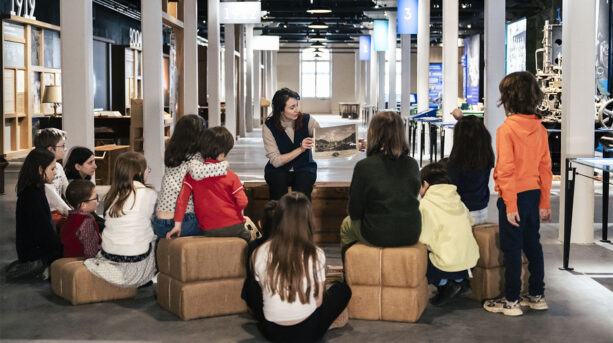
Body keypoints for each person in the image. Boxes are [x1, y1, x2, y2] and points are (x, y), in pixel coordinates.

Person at [483, 71, 552, 316]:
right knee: (533, 245)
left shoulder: (506, 130)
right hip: (533, 195)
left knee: (512, 248)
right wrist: (544, 201)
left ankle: (511, 300)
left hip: (514, 197)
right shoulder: (540, 129)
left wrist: (510, 204)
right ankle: (537, 295)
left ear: (508, 98)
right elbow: (545, 169)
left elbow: (506, 170)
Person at [248, 192, 352, 342]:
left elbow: (262, 289)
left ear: (279, 218)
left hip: (271, 331)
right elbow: (318, 301)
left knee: (252, 287)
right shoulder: (316, 254)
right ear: (308, 220)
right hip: (307, 333)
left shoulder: (259, 252)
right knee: (343, 290)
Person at [340, 111, 422, 257]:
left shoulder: (364, 166)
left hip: (377, 234)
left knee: (346, 226)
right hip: (411, 232)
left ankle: (349, 275)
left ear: (373, 133)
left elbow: (354, 211)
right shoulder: (413, 164)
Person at [84, 152, 157, 288]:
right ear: (140, 172)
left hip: (109, 256)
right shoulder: (149, 194)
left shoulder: (111, 195)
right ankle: (145, 277)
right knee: (157, 235)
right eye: (148, 170)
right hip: (137, 266)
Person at [168, 127, 251, 241]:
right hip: (233, 226)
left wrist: (177, 226)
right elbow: (243, 202)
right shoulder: (231, 176)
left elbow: (182, 201)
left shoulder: (191, 176)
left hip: (207, 228)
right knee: (248, 238)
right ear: (222, 155)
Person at [154, 114, 229, 238]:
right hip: (183, 222)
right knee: (214, 224)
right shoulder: (195, 156)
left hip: (160, 223)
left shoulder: (172, 155)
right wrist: (223, 166)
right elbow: (197, 173)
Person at [418, 162, 479, 306]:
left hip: (445, 265)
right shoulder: (457, 200)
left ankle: (444, 285)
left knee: (419, 252)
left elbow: (423, 237)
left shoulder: (426, 204)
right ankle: (460, 281)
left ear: (425, 184)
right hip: (469, 263)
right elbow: (471, 222)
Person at [6, 149, 62, 280]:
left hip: (32, 250)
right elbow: (44, 235)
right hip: (34, 254)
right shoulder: (32, 196)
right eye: (52, 169)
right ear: (40, 170)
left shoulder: (32, 190)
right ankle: (43, 267)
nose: (56, 172)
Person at [263, 88, 320, 200]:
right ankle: (278, 216)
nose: (297, 110)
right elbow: (276, 161)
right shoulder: (269, 126)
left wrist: (354, 143)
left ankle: (302, 217)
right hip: (278, 169)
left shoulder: (308, 120)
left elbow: (326, 137)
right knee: (278, 184)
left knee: (302, 189)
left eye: (297, 105)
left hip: (304, 167)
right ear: (280, 109)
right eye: (292, 107)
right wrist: (301, 149)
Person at [445, 115, 496, 225]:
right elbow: (473, 129)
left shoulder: (456, 163)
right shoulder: (486, 157)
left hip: (462, 211)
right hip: (481, 208)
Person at [241, 200, 280, 318]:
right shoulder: (291, 246)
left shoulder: (253, 246)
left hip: (259, 302)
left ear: (260, 224)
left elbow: (249, 273)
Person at [33, 128, 71, 222]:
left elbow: (67, 191)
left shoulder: (58, 166)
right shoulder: (41, 171)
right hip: (46, 217)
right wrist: (72, 214)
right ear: (50, 149)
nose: (65, 149)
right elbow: (56, 200)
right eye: (63, 146)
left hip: (58, 213)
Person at [64, 146, 105, 231]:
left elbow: (92, 215)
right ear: (78, 166)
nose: (95, 166)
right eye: (90, 163)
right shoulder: (73, 187)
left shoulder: (82, 182)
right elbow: (89, 217)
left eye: (94, 162)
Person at [62, 180, 101, 258]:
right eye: (95, 197)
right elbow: (91, 252)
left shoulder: (71, 215)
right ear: (83, 205)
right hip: (82, 262)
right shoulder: (87, 221)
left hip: (69, 260)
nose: (98, 200)